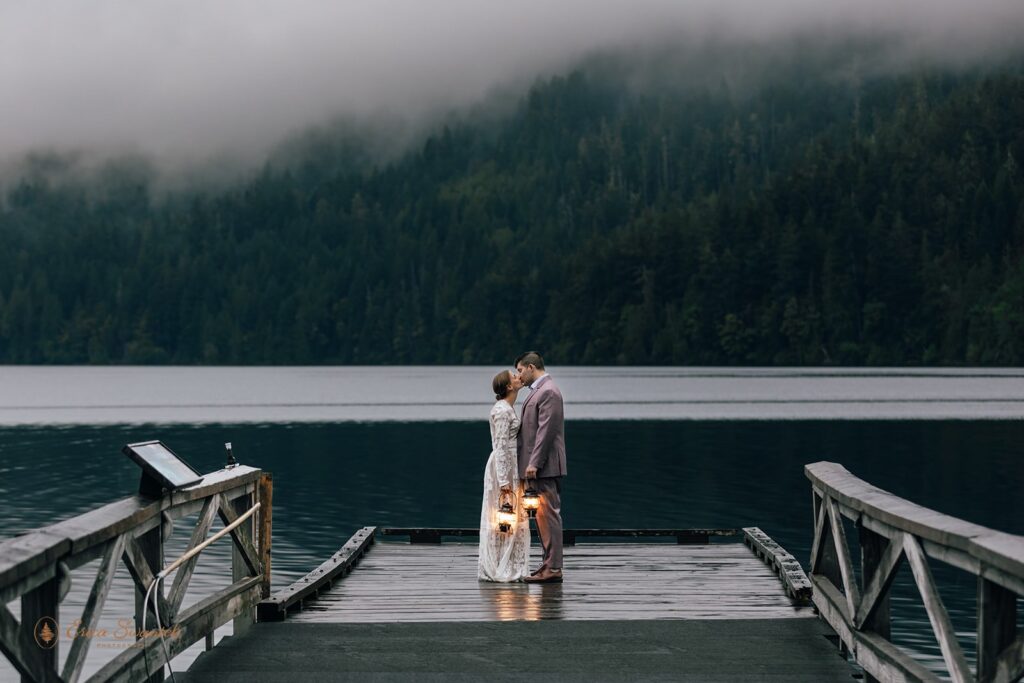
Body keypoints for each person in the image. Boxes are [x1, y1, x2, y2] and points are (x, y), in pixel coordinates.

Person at [515, 351, 566, 584]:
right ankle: (547, 564)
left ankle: (554, 568)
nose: (519, 375)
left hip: (544, 466)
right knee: (542, 517)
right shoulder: (539, 391)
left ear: (531, 367)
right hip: (536, 466)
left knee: (550, 516)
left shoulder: (549, 392)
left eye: (520, 370)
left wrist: (534, 463)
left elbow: (546, 432)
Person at [478, 369, 530, 582]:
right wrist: (504, 481)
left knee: (513, 515)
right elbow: (499, 445)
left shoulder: (508, 408)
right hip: (503, 467)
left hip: (512, 464)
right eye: (514, 377)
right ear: (509, 386)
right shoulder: (501, 411)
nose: (519, 377)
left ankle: (511, 562)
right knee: (501, 515)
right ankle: (499, 564)